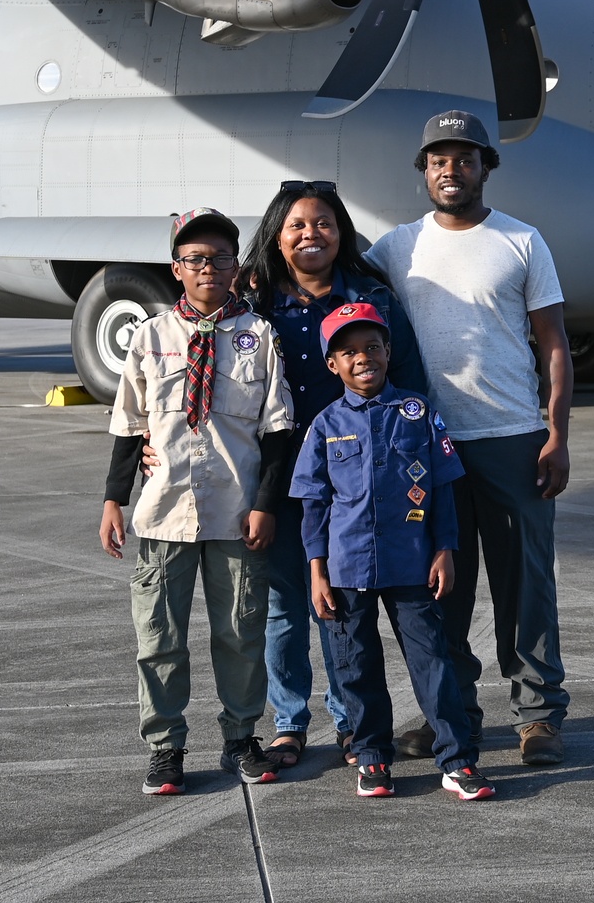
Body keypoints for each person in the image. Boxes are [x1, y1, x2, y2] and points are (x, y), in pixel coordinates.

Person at [364, 110, 572, 767]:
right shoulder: (397, 247)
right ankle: (449, 709)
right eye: (437, 159)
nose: (449, 170)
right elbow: (331, 289)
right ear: (423, 171)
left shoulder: (521, 241)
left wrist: (556, 431)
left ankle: (538, 716)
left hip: (513, 437)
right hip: (428, 446)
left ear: (486, 165)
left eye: (463, 158)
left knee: (525, 585)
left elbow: (555, 343)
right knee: (440, 589)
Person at [99, 207, 293, 795]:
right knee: (159, 637)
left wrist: (265, 504)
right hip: (163, 510)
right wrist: (113, 499)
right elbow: (130, 422)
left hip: (236, 512)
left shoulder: (258, 336)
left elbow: (279, 430)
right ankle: (165, 747)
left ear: (238, 266)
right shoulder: (152, 337)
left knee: (240, 633)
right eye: (196, 259)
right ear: (176, 268)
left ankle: (240, 737)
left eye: (221, 258)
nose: (209, 268)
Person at [239, 180, 427, 767]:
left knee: (337, 606)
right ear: (277, 236)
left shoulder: (372, 297)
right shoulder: (255, 303)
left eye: (323, 223)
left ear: (340, 231)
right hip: (274, 477)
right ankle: (289, 724)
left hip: (353, 486)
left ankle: (350, 722)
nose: (310, 234)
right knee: (284, 606)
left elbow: (411, 386)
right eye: (296, 225)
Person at [290, 301, 495, 801]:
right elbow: (314, 505)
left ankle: (457, 760)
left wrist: (445, 549)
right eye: (349, 351)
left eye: (372, 347)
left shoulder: (418, 413)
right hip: (345, 568)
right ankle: (373, 757)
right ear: (332, 364)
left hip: (413, 564)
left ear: (388, 352)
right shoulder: (324, 425)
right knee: (355, 666)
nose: (363, 358)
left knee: (433, 662)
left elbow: (445, 489)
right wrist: (317, 571)